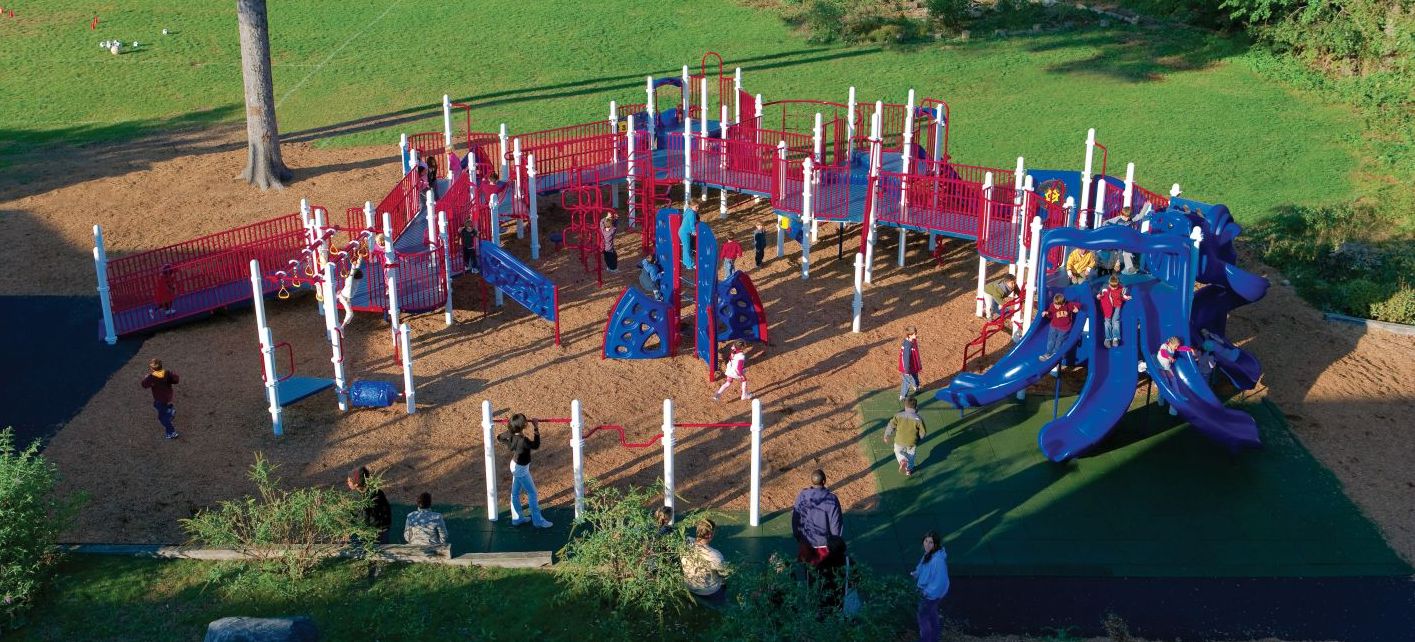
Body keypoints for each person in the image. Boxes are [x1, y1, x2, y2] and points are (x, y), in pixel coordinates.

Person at [496, 414, 553, 528]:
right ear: (523, 426)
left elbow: (499, 437)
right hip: (521, 469)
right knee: (532, 493)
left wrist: (509, 445)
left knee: (515, 494)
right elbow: (536, 445)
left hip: (516, 466)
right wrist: (536, 427)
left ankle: (517, 519)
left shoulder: (510, 434)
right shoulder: (523, 440)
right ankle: (538, 521)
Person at [791, 469, 843, 566]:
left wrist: (799, 537)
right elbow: (836, 524)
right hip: (825, 545)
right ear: (824, 481)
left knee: (808, 571)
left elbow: (795, 519)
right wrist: (835, 543)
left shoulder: (802, 496)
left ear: (812, 481)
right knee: (825, 573)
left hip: (806, 542)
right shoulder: (832, 499)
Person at [913, 530, 950, 642]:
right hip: (930, 594)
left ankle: (926, 639)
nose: (927, 545)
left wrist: (926, 593)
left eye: (931, 542)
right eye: (926, 541)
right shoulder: (929, 554)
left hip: (930, 595)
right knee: (932, 613)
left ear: (936, 545)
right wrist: (916, 573)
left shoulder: (937, 561)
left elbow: (940, 582)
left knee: (922, 617)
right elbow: (921, 567)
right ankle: (935, 638)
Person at [682, 518, 729, 606]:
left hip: (689, 586)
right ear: (710, 535)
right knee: (724, 582)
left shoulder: (685, 542)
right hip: (708, 591)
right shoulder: (715, 556)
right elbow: (724, 574)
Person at [347, 466, 392, 545]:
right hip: (361, 533)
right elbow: (351, 515)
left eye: (349, 481)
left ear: (356, 484)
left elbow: (386, 513)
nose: (347, 482)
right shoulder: (352, 495)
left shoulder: (376, 494)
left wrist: (384, 529)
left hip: (378, 532)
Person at [885, 397, 927, 476]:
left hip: (899, 440)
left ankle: (902, 460)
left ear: (905, 406)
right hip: (912, 442)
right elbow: (923, 433)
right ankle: (909, 470)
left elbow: (891, 425)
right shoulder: (918, 419)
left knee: (898, 451)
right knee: (911, 456)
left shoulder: (898, 415)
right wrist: (918, 439)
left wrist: (886, 435)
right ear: (916, 407)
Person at [140, 358, 180, 440]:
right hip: (168, 396)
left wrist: (146, 378)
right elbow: (176, 380)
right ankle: (170, 410)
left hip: (160, 399)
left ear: (152, 369)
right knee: (156, 405)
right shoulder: (167, 373)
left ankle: (171, 432)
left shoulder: (151, 377)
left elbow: (144, 385)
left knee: (162, 418)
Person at [1038, 293, 1081, 361]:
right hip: (1054, 326)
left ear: (1063, 304)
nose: (1055, 306)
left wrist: (1077, 308)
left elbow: (1078, 305)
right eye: (1054, 304)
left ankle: (1055, 353)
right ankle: (1048, 353)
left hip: (1064, 328)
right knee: (1051, 339)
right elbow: (1051, 314)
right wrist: (1047, 313)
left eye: (1057, 305)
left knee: (1059, 341)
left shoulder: (1068, 305)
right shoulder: (1053, 305)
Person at [1096, 276, 1131, 348]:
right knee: (1107, 321)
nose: (1114, 288)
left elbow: (1123, 295)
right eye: (1112, 286)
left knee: (1115, 320)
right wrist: (1099, 296)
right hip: (1108, 307)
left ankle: (1115, 338)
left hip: (1117, 305)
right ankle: (1108, 339)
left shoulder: (1121, 288)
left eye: (1116, 286)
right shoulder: (1104, 288)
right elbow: (1099, 295)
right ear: (1109, 284)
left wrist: (1126, 297)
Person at [336, 259, 363, 330]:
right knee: (350, 314)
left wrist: (360, 258)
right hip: (343, 298)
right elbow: (352, 272)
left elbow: (357, 268)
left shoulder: (354, 279)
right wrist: (353, 265)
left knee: (351, 314)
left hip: (345, 296)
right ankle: (341, 328)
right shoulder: (350, 280)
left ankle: (342, 327)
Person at [898, 326, 922, 402]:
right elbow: (905, 359)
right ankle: (903, 395)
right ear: (909, 335)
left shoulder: (913, 341)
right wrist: (906, 370)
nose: (916, 335)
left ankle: (916, 386)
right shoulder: (907, 345)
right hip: (907, 367)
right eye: (914, 334)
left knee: (915, 375)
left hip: (913, 364)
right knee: (906, 380)